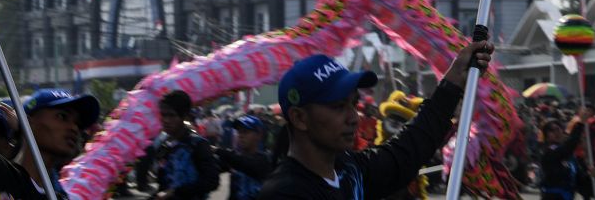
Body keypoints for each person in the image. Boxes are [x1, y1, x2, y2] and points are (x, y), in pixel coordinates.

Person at [257, 41, 493, 199]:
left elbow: (406, 150)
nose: (353, 117)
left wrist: (453, 83)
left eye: (353, 103)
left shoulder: (350, 169)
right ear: (299, 118)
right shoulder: (286, 193)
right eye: (338, 107)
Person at [0, 0, 100, 199]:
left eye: (77, 122)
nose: (74, 128)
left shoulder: (59, 196)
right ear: (28, 122)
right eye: (62, 116)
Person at [153, 90, 220, 199]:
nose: (166, 120)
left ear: (184, 116)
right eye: (163, 115)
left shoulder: (198, 145)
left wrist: (176, 192)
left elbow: (212, 181)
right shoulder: (164, 147)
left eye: (171, 115)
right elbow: (163, 186)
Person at [214, 114, 272, 200]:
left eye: (245, 132)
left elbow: (246, 164)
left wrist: (217, 150)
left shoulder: (265, 159)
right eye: (239, 132)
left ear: (259, 135)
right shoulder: (235, 156)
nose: (241, 135)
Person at [540, 107, 593, 200]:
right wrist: (580, 124)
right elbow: (568, 147)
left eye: (558, 129)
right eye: (552, 130)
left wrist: (590, 175)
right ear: (546, 136)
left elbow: (580, 181)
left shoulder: (571, 158)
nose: (556, 132)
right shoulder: (549, 152)